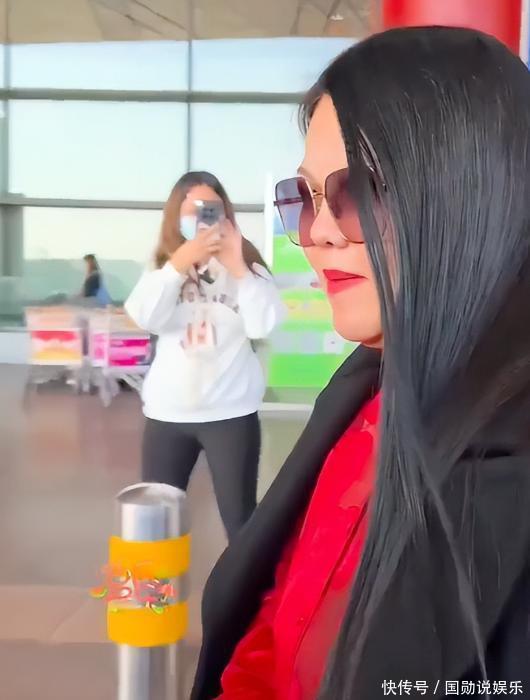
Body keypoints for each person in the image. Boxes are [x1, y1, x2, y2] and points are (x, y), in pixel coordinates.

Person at [192, 27, 530, 700]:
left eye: (361, 191)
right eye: (304, 197)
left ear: (471, 194)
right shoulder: (362, 391)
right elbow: (273, 624)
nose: (318, 232)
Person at [125, 171, 284, 541]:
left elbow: (263, 325)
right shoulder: (163, 268)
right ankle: (159, 583)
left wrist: (239, 268)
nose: (200, 217)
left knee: (240, 520)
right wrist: (179, 265)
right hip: (168, 414)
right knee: (156, 521)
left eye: (210, 207)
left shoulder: (247, 265)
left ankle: (246, 582)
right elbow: (144, 316)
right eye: (191, 208)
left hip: (230, 414)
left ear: (225, 213)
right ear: (175, 215)